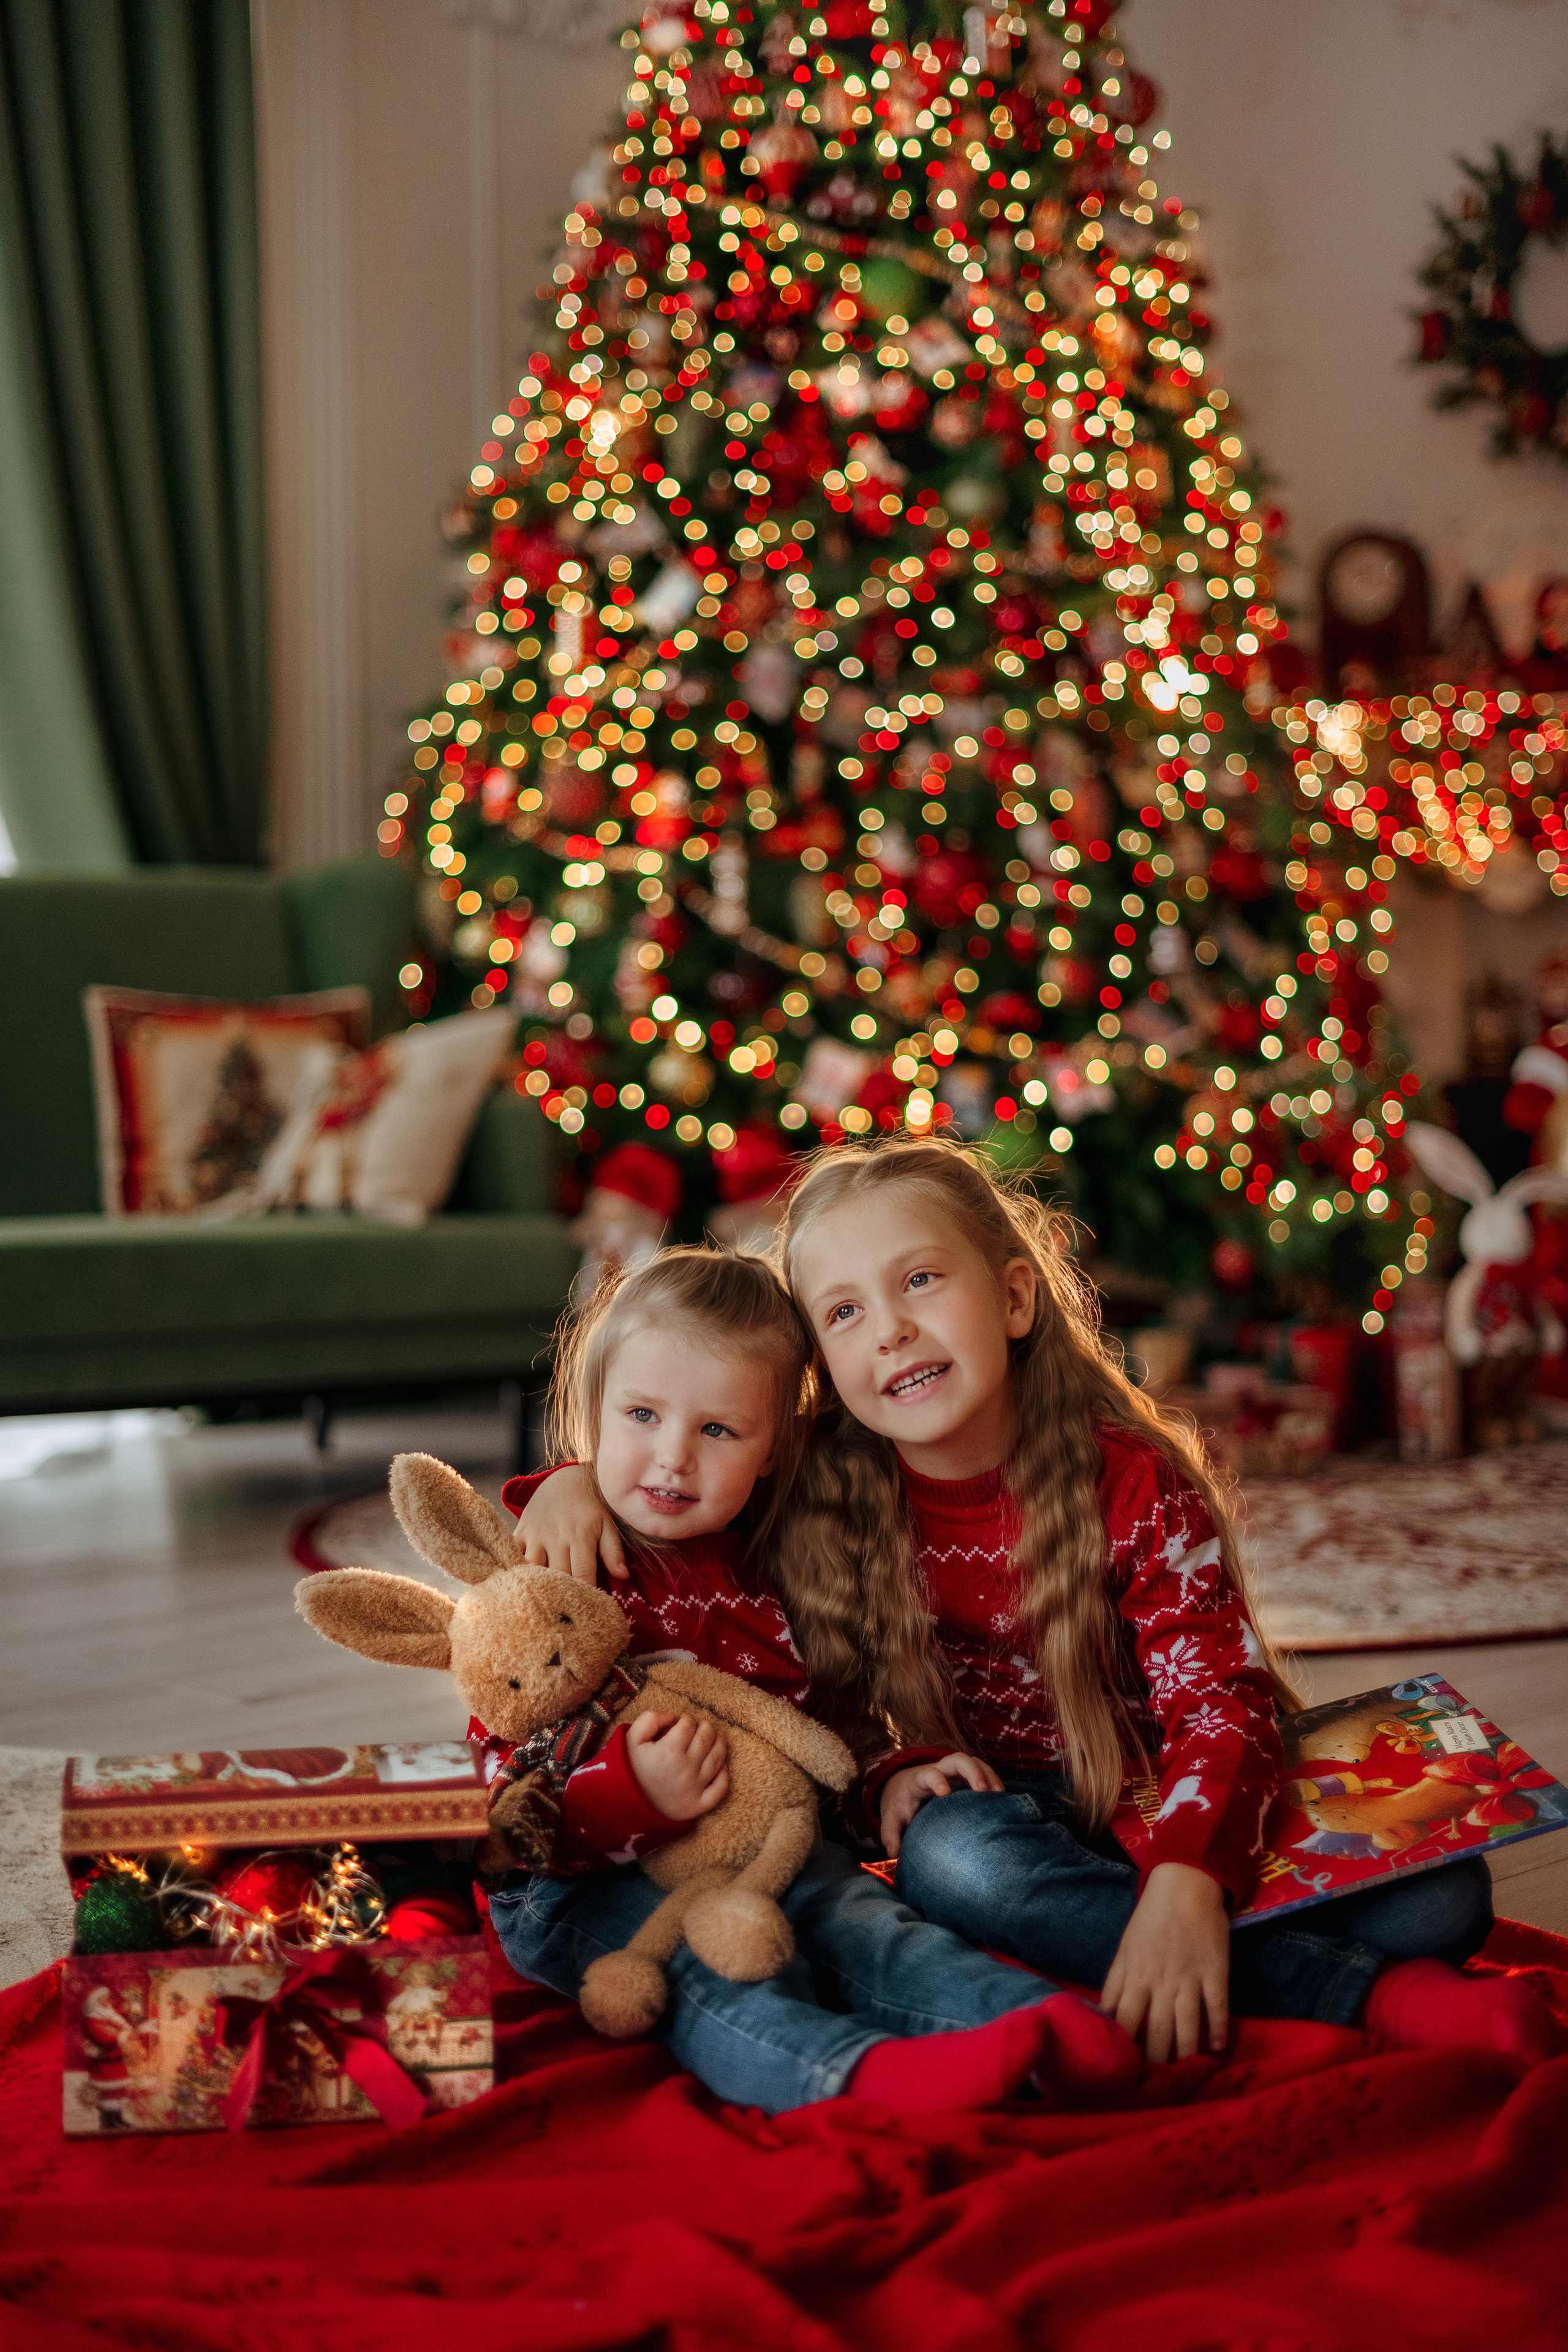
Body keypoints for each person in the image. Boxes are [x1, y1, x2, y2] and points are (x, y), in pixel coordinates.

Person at [753, 1137, 1556, 2069]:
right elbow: (673, 1470)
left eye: (921, 1280)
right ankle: (1364, 1995)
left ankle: (1113, 1951)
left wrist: (1186, 1881)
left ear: (1015, 1298)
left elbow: (1220, 1704)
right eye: (843, 1312)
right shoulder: (825, 1492)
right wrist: (891, 1771)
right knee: (948, 1860)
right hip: (1008, 1819)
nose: (888, 1329)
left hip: (1173, 1784)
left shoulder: (1130, 1482)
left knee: (1444, 1901)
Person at [489, 1244, 1142, 2116]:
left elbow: (832, 1725)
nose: (673, 1457)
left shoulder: (781, 1567)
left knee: (869, 1926)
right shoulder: (560, 1568)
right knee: (711, 1972)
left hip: (771, 1851)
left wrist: (890, 1775)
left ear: (772, 1448)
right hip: (587, 1878)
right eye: (641, 1414)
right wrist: (628, 1795)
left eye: (717, 1430)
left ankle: (1038, 2027)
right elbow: (500, 1797)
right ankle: (849, 2077)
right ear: (592, 1415)